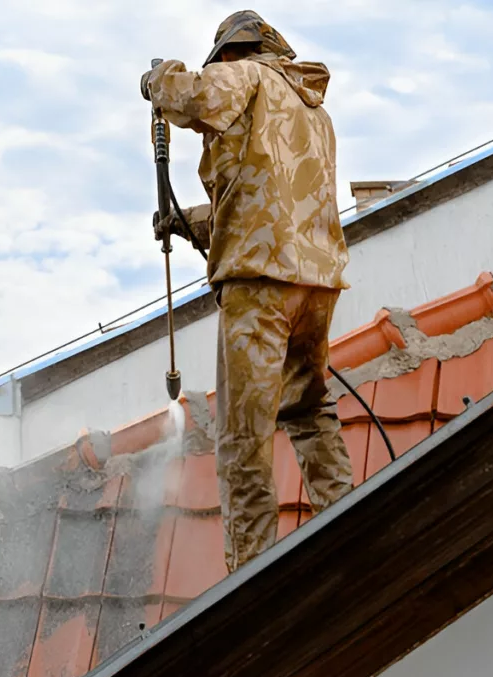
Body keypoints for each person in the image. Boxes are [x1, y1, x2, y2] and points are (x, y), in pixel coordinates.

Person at [142, 10, 354, 572]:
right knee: (308, 409)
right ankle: (352, 525)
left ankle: (252, 577)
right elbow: (262, 201)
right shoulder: (312, 110)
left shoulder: (247, 76)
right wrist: (187, 221)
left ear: (234, 52)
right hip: (315, 282)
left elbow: (190, 97)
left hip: (260, 288)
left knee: (243, 438)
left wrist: (157, 80)